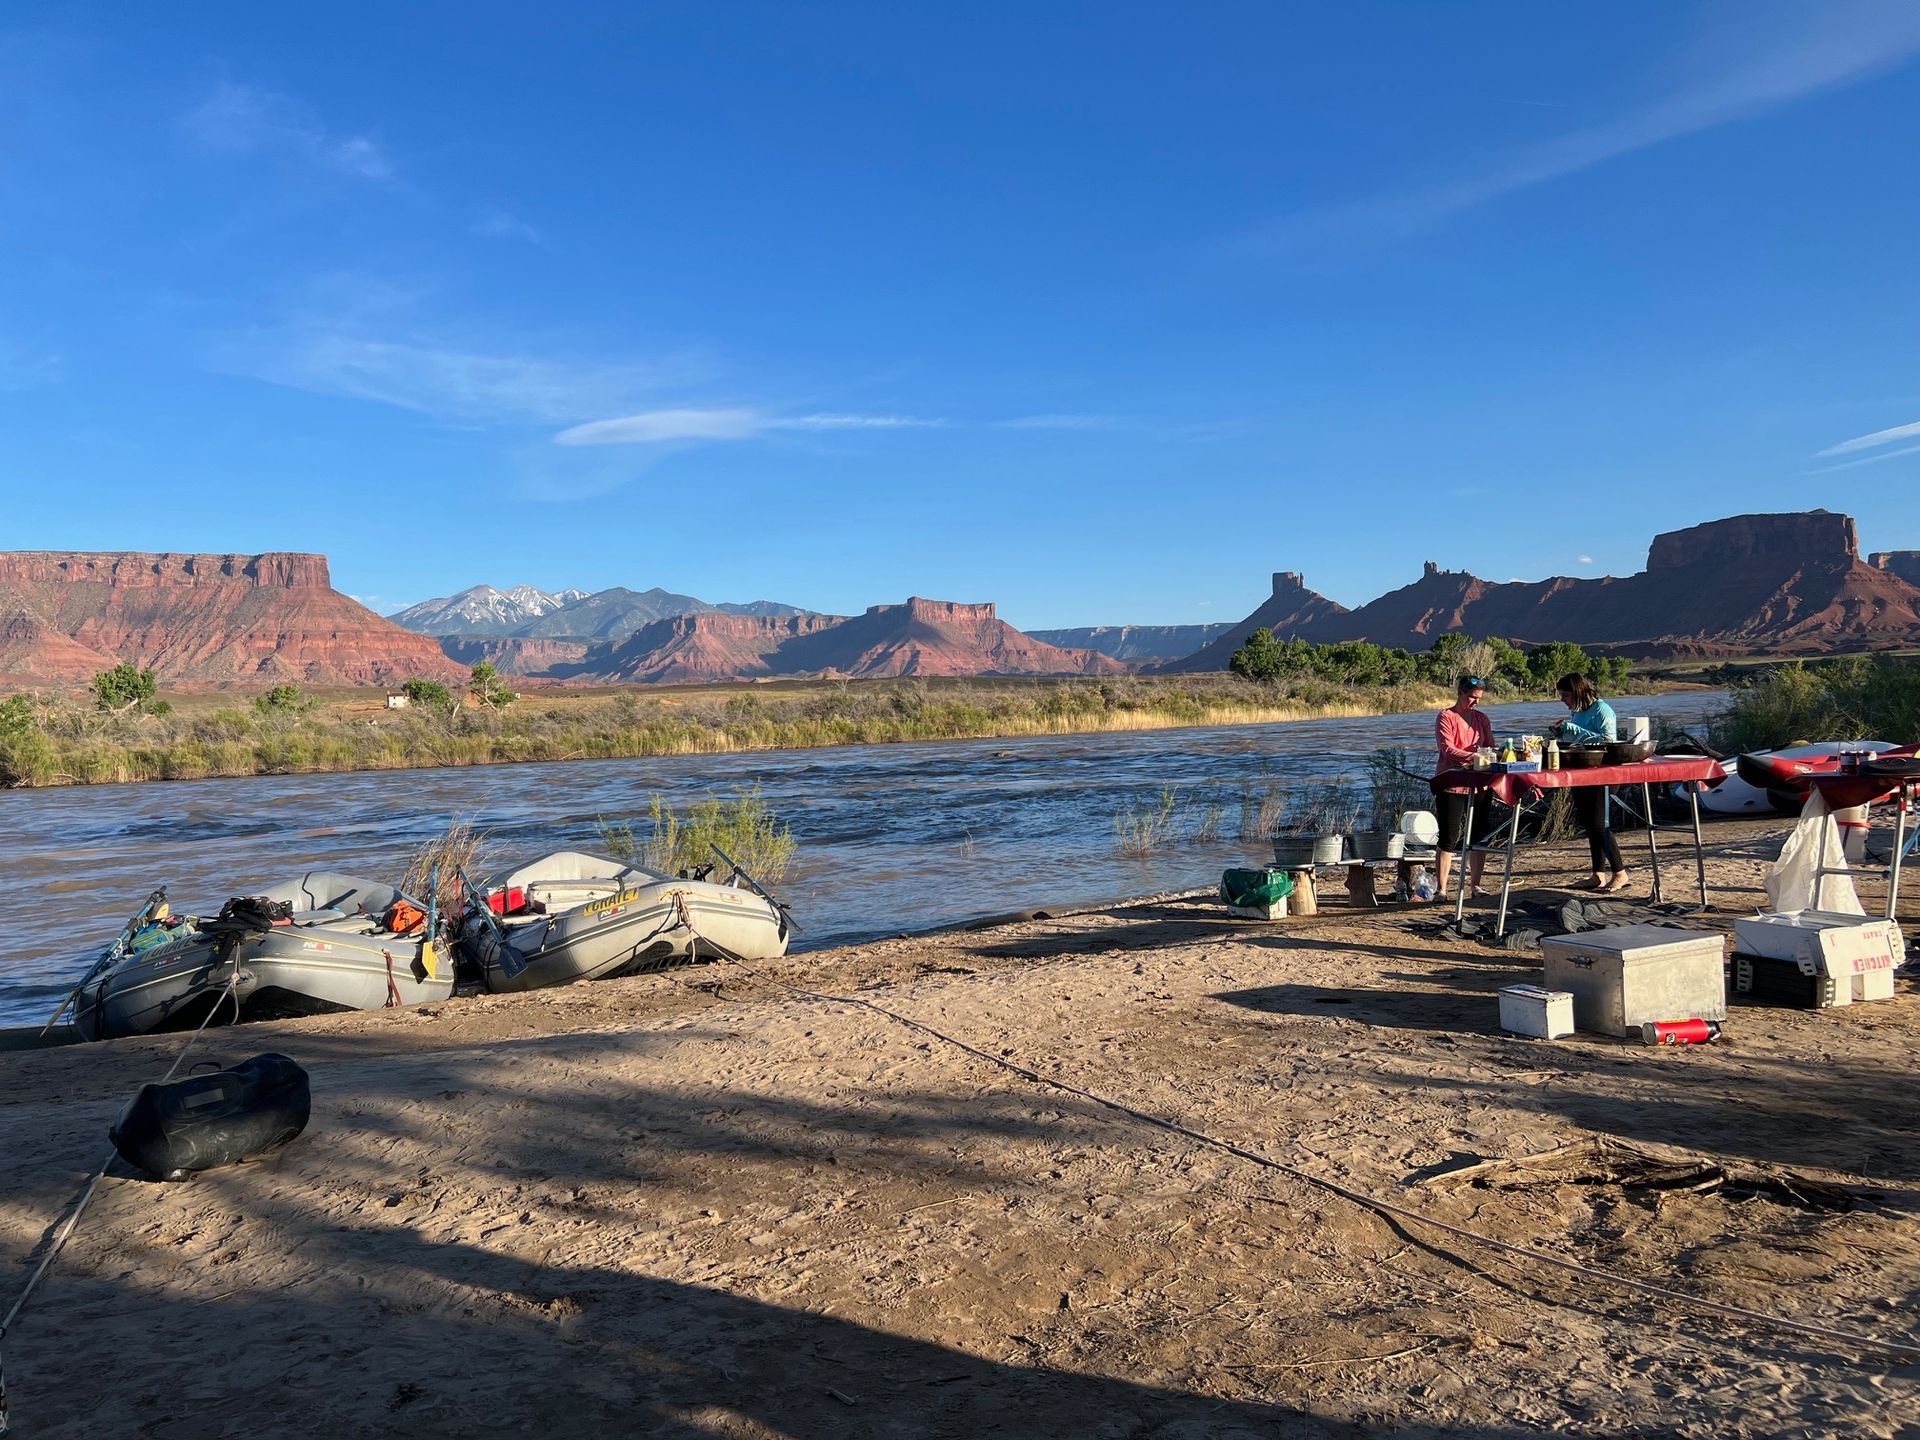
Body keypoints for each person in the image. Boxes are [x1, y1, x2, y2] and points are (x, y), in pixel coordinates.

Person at [1552, 672, 1626, 891]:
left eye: (1565, 695)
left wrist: (1573, 729)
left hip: (1602, 773)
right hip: (1581, 771)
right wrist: (1562, 733)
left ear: (1577, 692)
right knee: (1589, 824)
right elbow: (1578, 740)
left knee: (1599, 824)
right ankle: (1598, 874)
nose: (1563, 699)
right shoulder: (1578, 712)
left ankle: (1620, 873)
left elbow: (1607, 741)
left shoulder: (1602, 710)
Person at [1433, 674, 1494, 900]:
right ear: (1460, 693)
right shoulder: (1446, 717)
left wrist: (1486, 758)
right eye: (1471, 697)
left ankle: (1475, 885)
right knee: (1448, 837)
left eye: (1478, 698)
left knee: (1479, 835)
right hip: (1452, 782)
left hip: (1479, 783)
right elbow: (1447, 749)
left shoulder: (1482, 718)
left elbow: (1491, 746)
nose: (1475, 702)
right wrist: (1476, 756)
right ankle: (1441, 889)